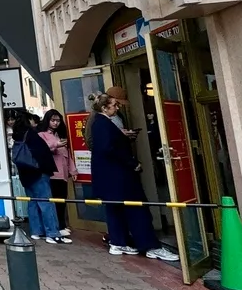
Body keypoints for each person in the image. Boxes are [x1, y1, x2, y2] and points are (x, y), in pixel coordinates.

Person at [87, 92, 178, 261]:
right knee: (137, 208)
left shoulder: (100, 123)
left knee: (115, 209)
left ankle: (118, 242)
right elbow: (108, 148)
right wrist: (131, 162)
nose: (117, 107)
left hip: (110, 176)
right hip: (118, 174)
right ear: (105, 107)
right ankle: (150, 245)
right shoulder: (101, 123)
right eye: (114, 105)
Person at [12, 119, 69, 244]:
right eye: (33, 120)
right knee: (46, 202)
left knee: (32, 203)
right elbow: (42, 154)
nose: (36, 122)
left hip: (25, 174)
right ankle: (52, 233)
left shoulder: (18, 137)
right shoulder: (32, 136)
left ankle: (36, 231)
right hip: (38, 173)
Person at [36, 109, 76, 237]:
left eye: (58, 121)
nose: (55, 123)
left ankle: (62, 224)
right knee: (53, 202)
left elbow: (68, 154)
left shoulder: (60, 135)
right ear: (47, 120)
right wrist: (56, 145)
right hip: (51, 174)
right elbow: (42, 149)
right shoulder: (42, 134)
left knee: (62, 201)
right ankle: (56, 227)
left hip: (63, 174)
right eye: (53, 120)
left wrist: (72, 170)